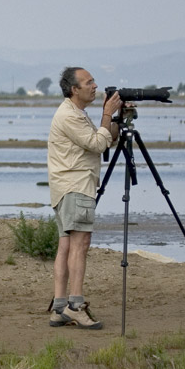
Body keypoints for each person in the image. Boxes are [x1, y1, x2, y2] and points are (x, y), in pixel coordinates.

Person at [47, 67, 123, 329]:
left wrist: (118, 117)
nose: (94, 86)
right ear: (73, 89)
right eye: (88, 82)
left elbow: (105, 138)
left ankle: (59, 307)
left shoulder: (76, 113)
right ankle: (76, 306)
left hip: (68, 187)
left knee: (67, 245)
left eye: (93, 81)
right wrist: (106, 113)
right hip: (75, 186)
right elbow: (97, 145)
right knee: (80, 244)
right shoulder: (69, 116)